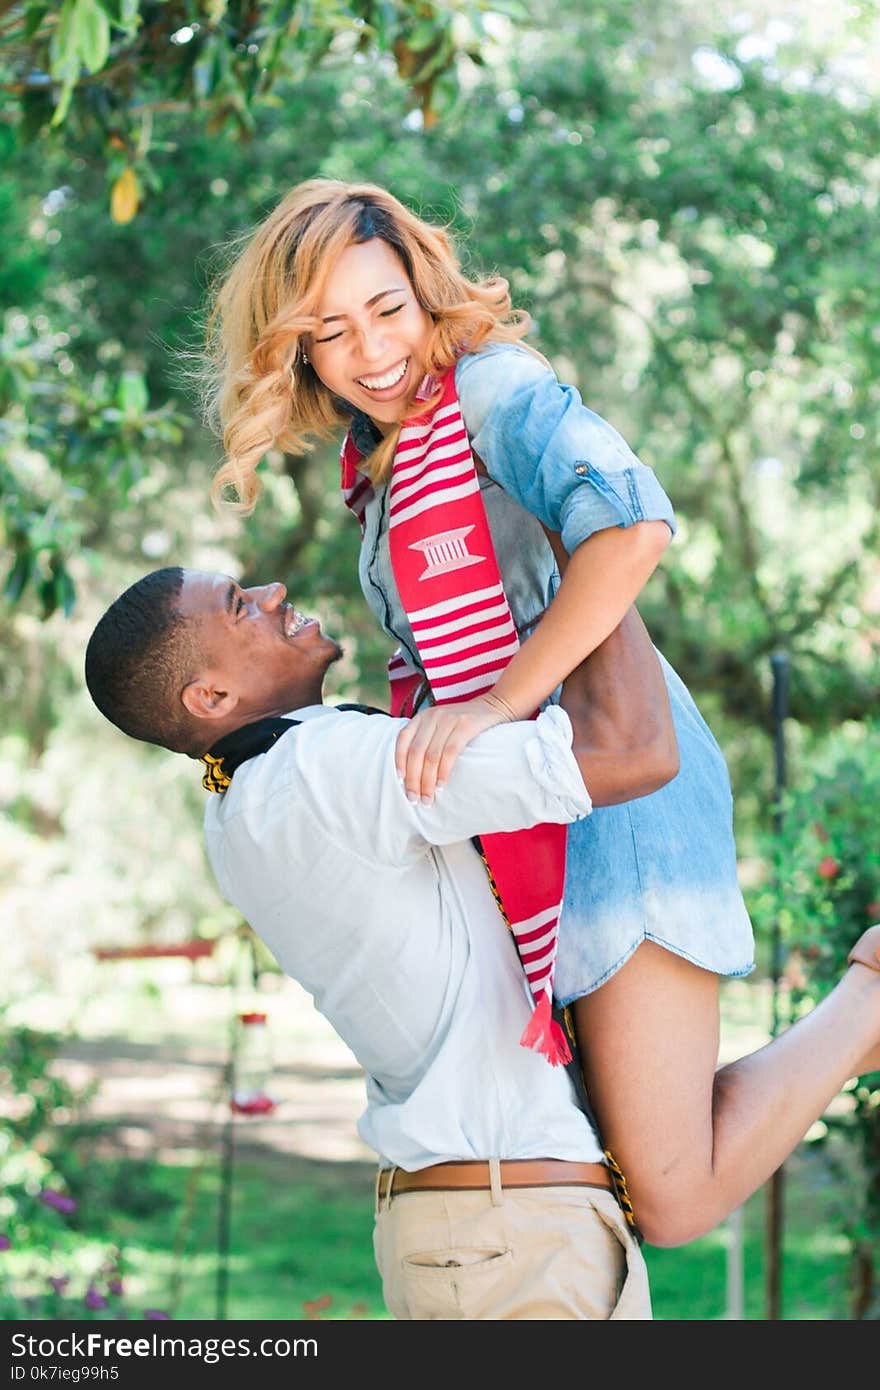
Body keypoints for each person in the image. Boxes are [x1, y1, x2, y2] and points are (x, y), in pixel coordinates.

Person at [201, 178, 880, 1247]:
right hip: (531, 813)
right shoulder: (375, 470)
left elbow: (631, 525)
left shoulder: (491, 390)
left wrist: (499, 702)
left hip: (615, 785)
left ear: (426, 294)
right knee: (619, 1163)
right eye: (328, 331)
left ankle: (869, 1000)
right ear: (295, 351)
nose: (370, 350)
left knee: (668, 1194)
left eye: (387, 309)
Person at [85, 568, 680, 1320]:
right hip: (511, 1236)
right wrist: (598, 553)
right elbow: (637, 752)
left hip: (483, 1228)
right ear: (211, 699)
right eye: (240, 606)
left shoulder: (244, 807)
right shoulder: (322, 769)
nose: (272, 593)